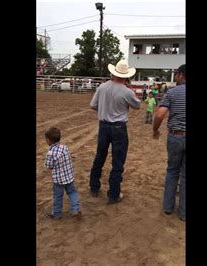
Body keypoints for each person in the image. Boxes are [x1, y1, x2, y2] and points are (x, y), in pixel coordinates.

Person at [89, 59, 141, 204]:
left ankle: (94, 186)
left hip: (103, 126)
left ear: (113, 72)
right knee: (117, 161)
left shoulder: (102, 87)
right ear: (125, 76)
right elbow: (137, 106)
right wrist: (129, 88)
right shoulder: (127, 91)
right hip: (119, 128)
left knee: (100, 156)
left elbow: (93, 105)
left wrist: (104, 110)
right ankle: (113, 194)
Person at [152, 64, 186, 222]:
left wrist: (155, 130)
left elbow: (159, 115)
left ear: (180, 75)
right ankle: (183, 213)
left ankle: (168, 207)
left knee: (172, 171)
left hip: (176, 136)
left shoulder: (172, 92)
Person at [44, 127, 81, 220]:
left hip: (58, 180)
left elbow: (49, 166)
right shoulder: (64, 147)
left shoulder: (50, 153)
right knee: (72, 193)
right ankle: (75, 210)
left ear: (48, 140)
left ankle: (57, 214)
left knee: (57, 197)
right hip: (69, 177)